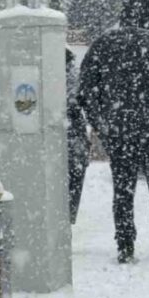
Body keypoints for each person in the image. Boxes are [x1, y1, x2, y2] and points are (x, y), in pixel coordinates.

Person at [78, 0, 149, 264]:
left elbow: (85, 90)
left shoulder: (103, 43)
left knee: (123, 188)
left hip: (118, 128)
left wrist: (100, 124)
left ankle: (125, 245)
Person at [66, 49, 89, 224]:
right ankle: (69, 215)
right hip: (74, 131)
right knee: (75, 177)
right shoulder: (76, 75)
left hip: (67, 129)